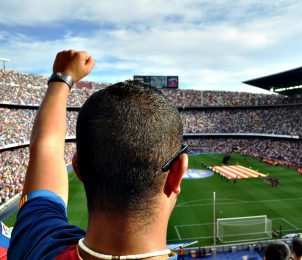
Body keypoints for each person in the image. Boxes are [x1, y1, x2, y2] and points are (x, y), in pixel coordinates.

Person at [8, 50, 188, 259]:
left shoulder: (38, 240)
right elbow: (46, 148)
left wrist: (62, 77)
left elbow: (46, 148)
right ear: (177, 172)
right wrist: (62, 78)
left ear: (78, 168)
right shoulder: (37, 237)